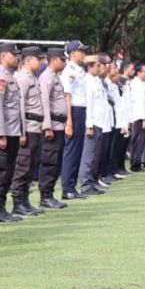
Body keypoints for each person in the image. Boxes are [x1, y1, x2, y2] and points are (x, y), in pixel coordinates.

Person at [0, 43, 26, 223]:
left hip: (13, 130)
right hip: (5, 132)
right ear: (3, 56)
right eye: (13, 54)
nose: (16, 57)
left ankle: (2, 207)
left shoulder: (10, 76)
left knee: (9, 170)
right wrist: (0, 133)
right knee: (1, 172)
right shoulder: (0, 78)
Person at [11, 45, 45, 217]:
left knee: (31, 166)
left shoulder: (33, 77)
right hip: (28, 126)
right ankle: (18, 201)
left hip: (36, 127)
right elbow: (20, 106)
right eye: (38, 59)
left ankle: (25, 200)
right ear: (29, 60)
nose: (40, 62)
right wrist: (22, 131)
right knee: (23, 166)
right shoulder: (23, 78)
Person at [36, 47, 68, 209]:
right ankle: (45, 196)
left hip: (59, 124)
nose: (65, 62)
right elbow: (45, 102)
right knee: (49, 161)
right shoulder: (47, 77)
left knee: (55, 162)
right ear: (54, 60)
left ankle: (50, 193)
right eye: (62, 59)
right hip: (52, 126)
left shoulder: (56, 77)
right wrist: (47, 126)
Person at [60, 40, 89, 200]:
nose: (83, 54)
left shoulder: (79, 70)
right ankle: (67, 188)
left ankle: (72, 186)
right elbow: (67, 96)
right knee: (71, 151)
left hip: (81, 110)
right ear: (72, 54)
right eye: (81, 51)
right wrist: (69, 121)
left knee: (78, 150)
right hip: (74, 111)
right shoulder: (69, 70)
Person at [79, 54, 108, 195]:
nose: (100, 68)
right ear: (89, 67)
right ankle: (85, 184)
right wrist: (89, 125)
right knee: (88, 155)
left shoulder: (96, 81)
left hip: (99, 122)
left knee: (95, 155)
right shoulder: (87, 82)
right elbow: (89, 104)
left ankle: (91, 181)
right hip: (93, 122)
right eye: (97, 65)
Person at [129, 63, 145, 171]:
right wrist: (144, 119)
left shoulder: (143, 84)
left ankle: (137, 163)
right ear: (138, 73)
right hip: (139, 117)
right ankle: (135, 164)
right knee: (138, 141)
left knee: (142, 141)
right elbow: (139, 103)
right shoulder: (136, 84)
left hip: (144, 117)